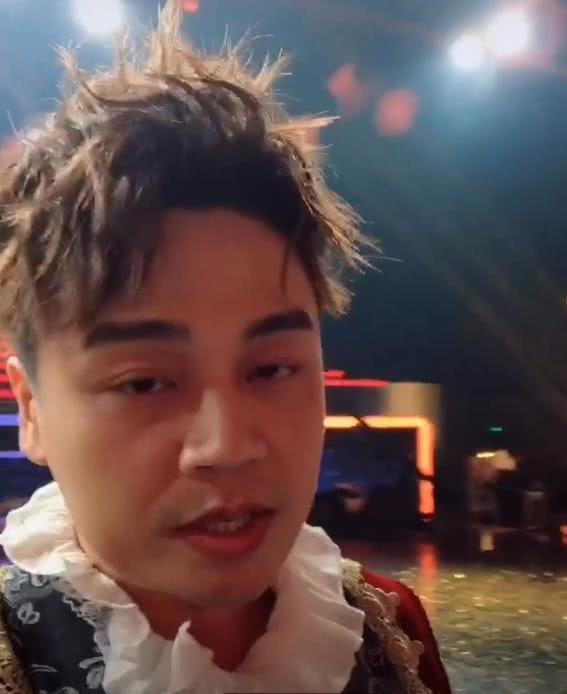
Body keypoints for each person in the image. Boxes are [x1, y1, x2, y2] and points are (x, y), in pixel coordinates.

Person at [0, 2, 451, 692]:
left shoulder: (391, 633)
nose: (227, 445)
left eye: (272, 368)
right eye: (145, 382)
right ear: (31, 408)